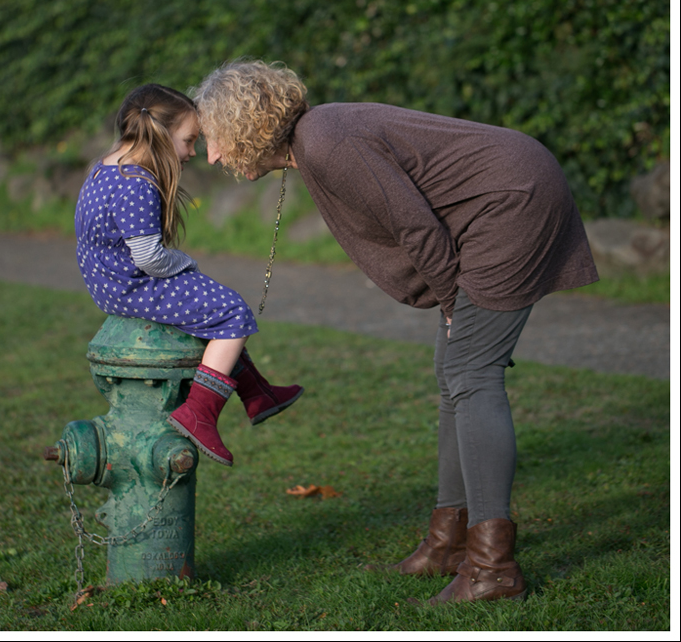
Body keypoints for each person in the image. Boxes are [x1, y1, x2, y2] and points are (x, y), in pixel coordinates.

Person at [193, 60, 598, 604]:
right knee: (452, 373)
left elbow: (415, 225)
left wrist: (452, 302)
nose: (213, 155)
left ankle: (492, 568)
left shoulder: (328, 143)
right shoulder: (316, 142)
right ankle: (449, 541)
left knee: (472, 375)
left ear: (245, 123)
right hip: (502, 200)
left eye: (215, 138)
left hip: (512, 205)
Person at [75, 83, 303, 467]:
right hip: (134, 284)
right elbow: (148, 257)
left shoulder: (105, 169)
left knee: (209, 311)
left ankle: (258, 394)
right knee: (231, 313)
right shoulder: (138, 185)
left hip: (109, 284)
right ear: (160, 135)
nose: (192, 153)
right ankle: (200, 412)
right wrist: (185, 264)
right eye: (188, 140)